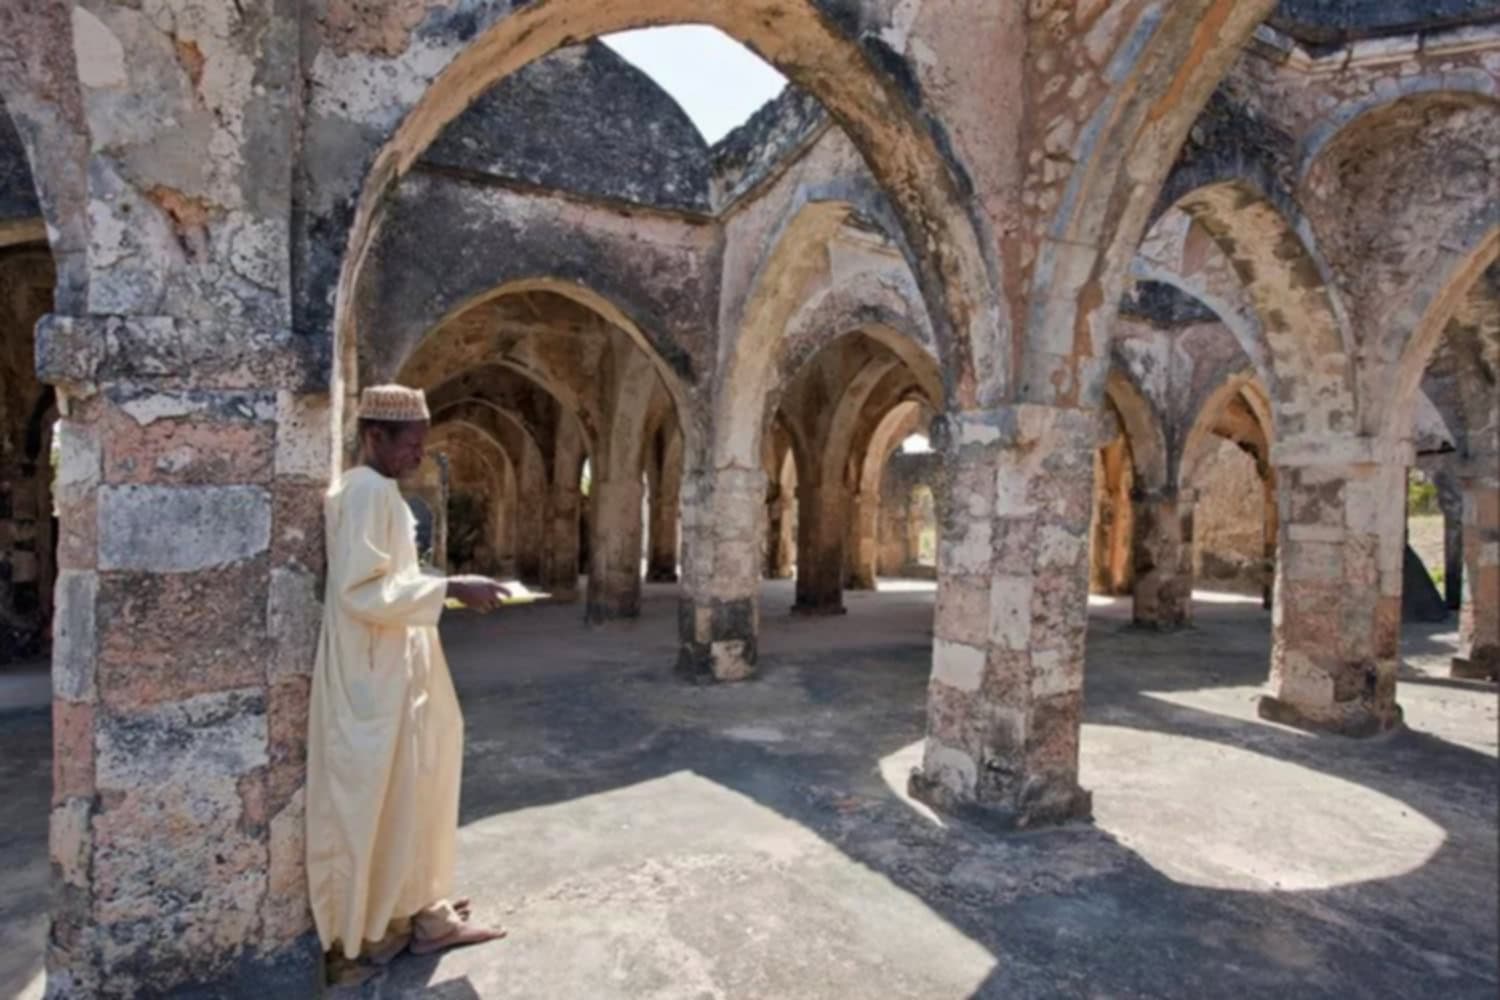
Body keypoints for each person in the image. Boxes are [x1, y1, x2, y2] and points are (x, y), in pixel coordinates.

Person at [306, 384, 510, 974]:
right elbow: (361, 591)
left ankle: (420, 905)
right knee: (391, 797)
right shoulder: (368, 491)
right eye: (411, 444)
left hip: (393, 663)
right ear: (375, 436)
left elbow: (386, 576)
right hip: (377, 672)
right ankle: (392, 922)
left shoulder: (373, 490)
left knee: (414, 789)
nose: (418, 455)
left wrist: (444, 583)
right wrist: (449, 589)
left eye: (423, 444)